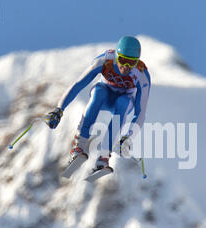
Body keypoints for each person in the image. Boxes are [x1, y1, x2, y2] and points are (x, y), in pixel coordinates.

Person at [45, 36, 151, 177]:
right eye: (123, 60)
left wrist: (128, 137)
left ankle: (103, 158)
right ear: (116, 56)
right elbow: (78, 85)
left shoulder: (141, 75)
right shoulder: (104, 61)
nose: (126, 67)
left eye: (131, 63)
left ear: (137, 62)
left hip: (124, 102)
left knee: (123, 102)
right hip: (104, 96)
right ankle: (79, 146)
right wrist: (59, 109)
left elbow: (141, 112)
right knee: (99, 92)